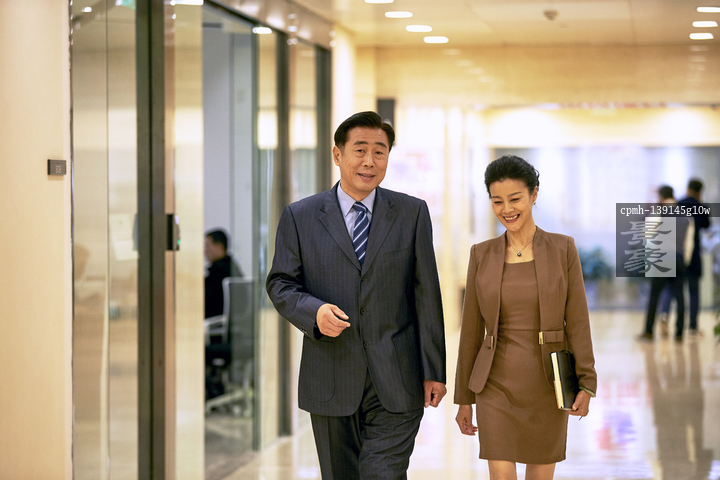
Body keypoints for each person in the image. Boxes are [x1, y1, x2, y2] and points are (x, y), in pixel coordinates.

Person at [266, 111, 446, 479]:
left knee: (383, 473)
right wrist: (314, 312)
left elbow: (426, 295)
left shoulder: (411, 213)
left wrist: (434, 371)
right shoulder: (300, 216)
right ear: (338, 154)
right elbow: (280, 283)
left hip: (398, 378)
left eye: (380, 152)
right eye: (360, 150)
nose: (370, 161)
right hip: (330, 376)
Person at [454, 155, 597, 480]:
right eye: (497, 201)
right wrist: (464, 398)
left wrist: (587, 383)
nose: (507, 209)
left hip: (548, 383)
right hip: (494, 385)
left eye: (515, 198)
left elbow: (577, 321)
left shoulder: (563, 249)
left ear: (534, 194)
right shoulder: (481, 254)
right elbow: (471, 331)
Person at [656, 179, 711, 336]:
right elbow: (707, 226)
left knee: (671, 288)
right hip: (694, 255)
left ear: (687, 189)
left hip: (676, 252)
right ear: (700, 192)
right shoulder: (701, 207)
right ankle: (692, 326)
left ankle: (665, 314)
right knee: (693, 291)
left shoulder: (678, 204)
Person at [638, 185, 690, 342]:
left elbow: (646, 234)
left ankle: (648, 331)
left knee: (654, 295)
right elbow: (689, 242)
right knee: (680, 296)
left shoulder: (658, 212)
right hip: (679, 257)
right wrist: (684, 260)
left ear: (661, 197)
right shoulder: (685, 214)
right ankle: (679, 333)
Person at [204, 229, 242, 319]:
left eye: (207, 246)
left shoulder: (221, 273)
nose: (205, 251)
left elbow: (209, 303)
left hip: (216, 320)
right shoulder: (231, 267)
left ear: (219, 247)